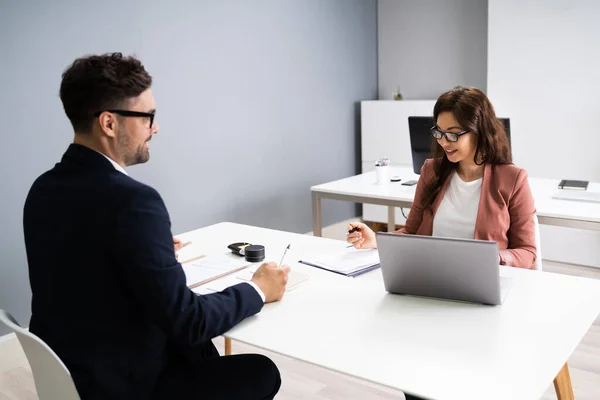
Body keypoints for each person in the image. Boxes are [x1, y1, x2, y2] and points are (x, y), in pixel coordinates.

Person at [23, 53, 289, 400]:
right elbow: (189, 321)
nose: (156, 127)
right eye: (148, 116)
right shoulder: (133, 201)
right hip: (125, 384)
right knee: (260, 370)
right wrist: (258, 289)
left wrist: (145, 249)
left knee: (200, 350)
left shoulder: (42, 188)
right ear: (109, 123)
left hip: (77, 367)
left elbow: (81, 257)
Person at [348, 86, 537, 269]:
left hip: (480, 280)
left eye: (453, 134)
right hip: (430, 273)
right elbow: (411, 231)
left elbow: (527, 251)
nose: (443, 142)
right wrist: (375, 240)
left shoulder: (513, 179)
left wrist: (495, 258)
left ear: (481, 131)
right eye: (439, 132)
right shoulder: (432, 170)